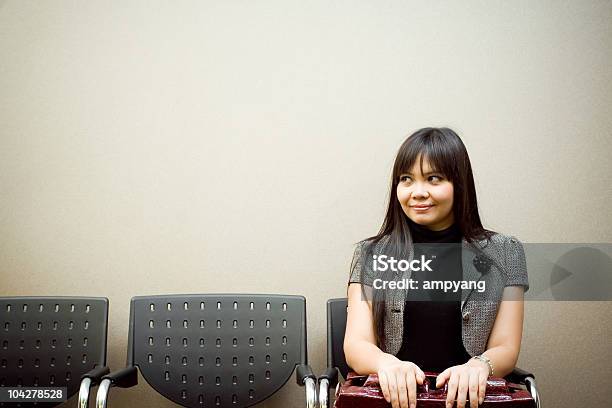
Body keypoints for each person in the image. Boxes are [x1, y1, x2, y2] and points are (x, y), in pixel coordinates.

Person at [344, 127, 529, 408]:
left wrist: (479, 367)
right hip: (391, 401)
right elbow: (356, 344)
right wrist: (387, 364)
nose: (418, 192)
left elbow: (506, 346)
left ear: (459, 184)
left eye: (433, 179)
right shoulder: (370, 253)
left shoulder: (506, 252)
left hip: (470, 402)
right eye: (406, 179)